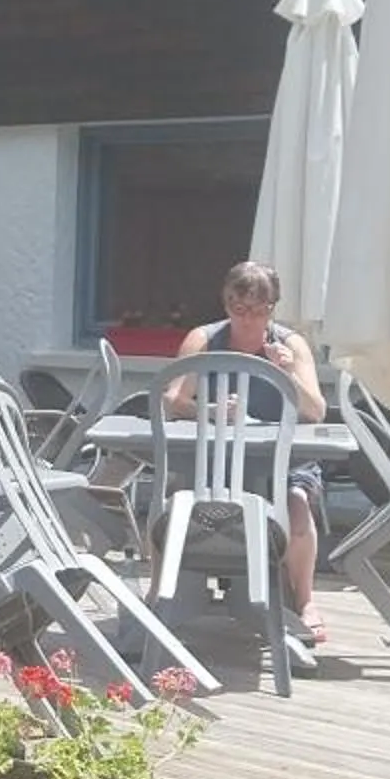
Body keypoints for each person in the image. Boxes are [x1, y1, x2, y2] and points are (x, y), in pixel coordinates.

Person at [161, 259, 329, 645]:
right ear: (226, 304)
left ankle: (305, 601)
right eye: (240, 309)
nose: (249, 320)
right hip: (215, 461)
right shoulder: (204, 339)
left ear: (273, 308)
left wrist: (286, 373)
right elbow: (173, 399)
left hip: (282, 460)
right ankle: (165, 596)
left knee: (297, 506)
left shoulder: (290, 344)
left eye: (260, 310)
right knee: (173, 505)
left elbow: (316, 411)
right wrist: (212, 411)